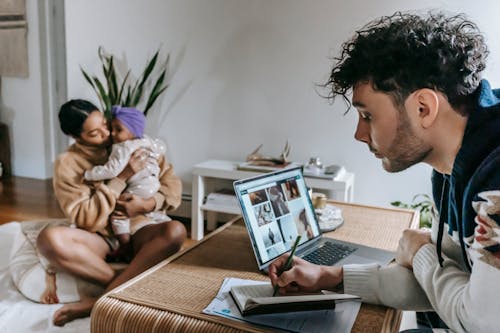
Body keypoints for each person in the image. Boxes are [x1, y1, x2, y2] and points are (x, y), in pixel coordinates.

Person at [269, 11, 499, 333]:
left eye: (367, 116)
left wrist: (419, 252)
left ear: (423, 108)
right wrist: (329, 278)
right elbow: (436, 284)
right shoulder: (450, 168)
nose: (359, 134)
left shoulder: (495, 180)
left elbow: (482, 322)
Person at [36, 99, 187, 326]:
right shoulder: (68, 163)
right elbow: (84, 217)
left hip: (140, 229)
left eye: (107, 125)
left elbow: (171, 185)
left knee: (176, 230)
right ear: (77, 138)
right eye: (95, 134)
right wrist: (120, 178)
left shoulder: (134, 141)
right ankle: (126, 286)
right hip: (102, 238)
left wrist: (147, 205)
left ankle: (100, 300)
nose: (107, 134)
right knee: (48, 240)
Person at [84, 105, 169, 246]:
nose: (112, 133)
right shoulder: (148, 141)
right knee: (151, 214)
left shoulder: (123, 148)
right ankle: (161, 224)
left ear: (133, 131)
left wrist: (89, 174)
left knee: (119, 214)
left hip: (138, 187)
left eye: (118, 129)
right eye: (112, 129)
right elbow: (161, 148)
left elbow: (111, 170)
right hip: (154, 185)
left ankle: (124, 244)